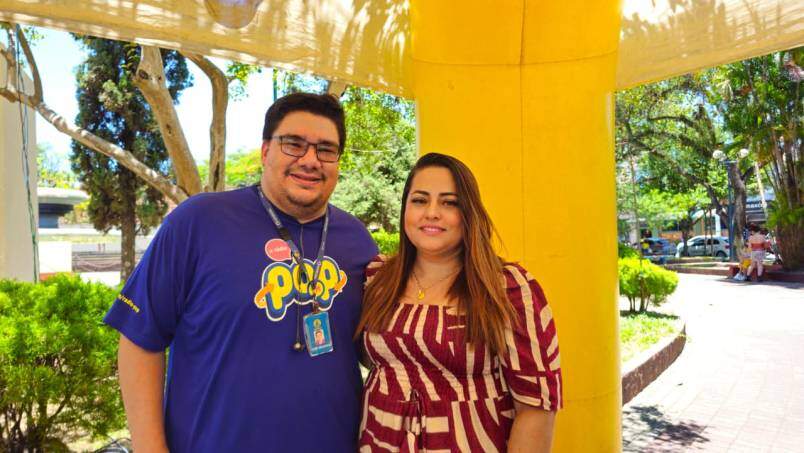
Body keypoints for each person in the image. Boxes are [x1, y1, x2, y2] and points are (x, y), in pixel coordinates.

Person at [104, 93, 378, 452]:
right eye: (293, 144)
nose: (310, 160)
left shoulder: (357, 240)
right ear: (265, 151)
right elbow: (139, 340)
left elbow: (379, 350)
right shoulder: (198, 222)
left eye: (326, 149)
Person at [356, 153, 562, 452]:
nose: (432, 213)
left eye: (449, 203)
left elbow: (535, 407)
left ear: (469, 214)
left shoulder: (507, 288)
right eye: (419, 200)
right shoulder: (377, 277)